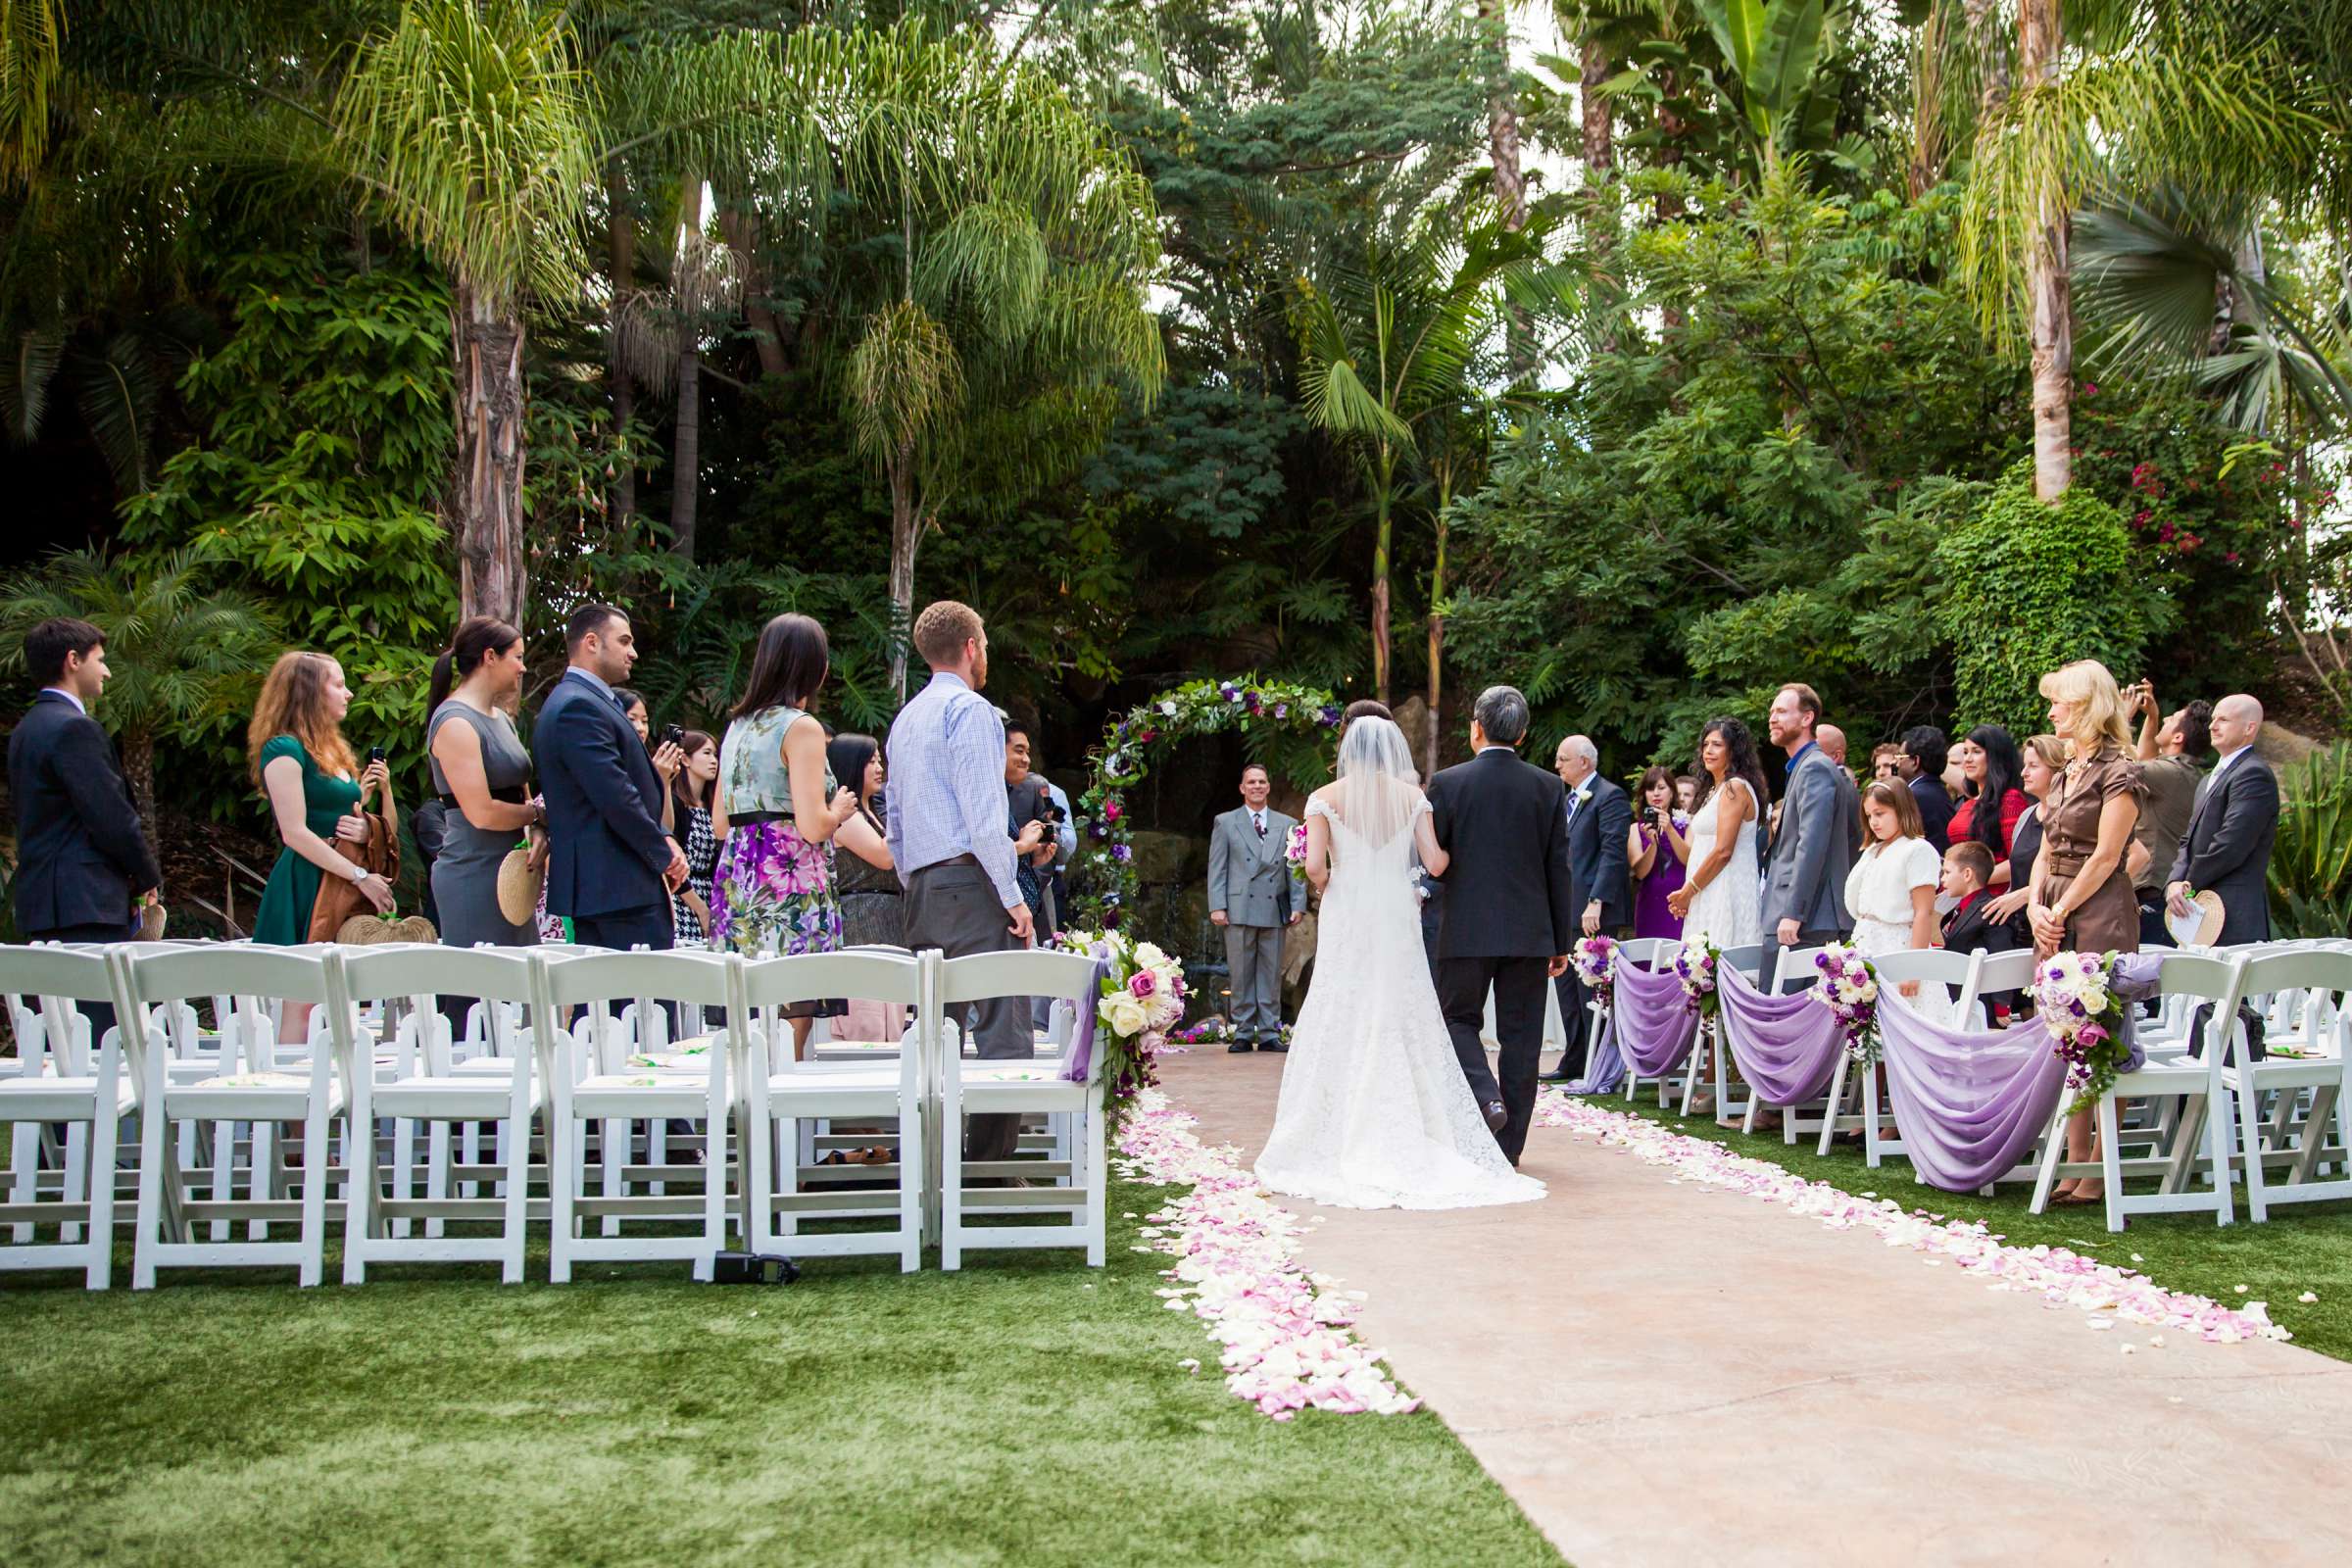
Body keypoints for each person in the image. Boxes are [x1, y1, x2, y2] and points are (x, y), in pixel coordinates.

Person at [1255, 713, 1544, 1209]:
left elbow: (1314, 867)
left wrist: (1334, 884)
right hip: (1396, 911)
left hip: (1349, 911)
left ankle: (1338, 1126)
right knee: (1400, 1006)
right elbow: (1434, 863)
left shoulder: (1325, 797)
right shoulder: (1414, 798)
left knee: (1342, 1003)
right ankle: (1413, 1124)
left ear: (1348, 748)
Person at [887, 601, 1033, 1171]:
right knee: (1003, 1030)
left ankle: (930, 1166)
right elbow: (983, 812)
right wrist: (1013, 896)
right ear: (972, 646)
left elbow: (895, 818)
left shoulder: (906, 718)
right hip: (970, 882)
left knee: (933, 1029)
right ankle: (989, 1169)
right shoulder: (972, 711)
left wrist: (914, 878)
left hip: (922, 886)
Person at [1424, 686, 1576, 1164]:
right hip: (1531, 934)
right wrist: (1560, 940)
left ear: (1476, 726)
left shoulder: (1448, 784)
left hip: (1464, 929)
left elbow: (1436, 863)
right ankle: (1509, 1148)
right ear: (1524, 734)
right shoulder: (1549, 787)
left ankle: (1486, 1097)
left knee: (1456, 1020)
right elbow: (1559, 868)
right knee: (1523, 1038)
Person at [10, 617, 162, 1042]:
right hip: (86, 902)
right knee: (107, 1036)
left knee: (60, 1036)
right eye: (100, 659)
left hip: (45, 901)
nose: (107, 670)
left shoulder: (28, 729)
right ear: (72, 661)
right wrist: (146, 876)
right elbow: (110, 818)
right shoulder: (74, 728)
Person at [710, 613, 857, 1054]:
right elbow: (813, 825)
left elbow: (720, 822)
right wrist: (839, 809)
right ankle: (777, 1115)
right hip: (788, 880)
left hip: (740, 877)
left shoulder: (737, 728)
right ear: (815, 667)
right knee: (793, 1009)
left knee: (751, 1008)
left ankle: (750, 1109)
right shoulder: (801, 728)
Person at [2030, 660, 2144, 1205]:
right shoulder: (2068, 768)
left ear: (2088, 706)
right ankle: (2074, 1165)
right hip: (2054, 906)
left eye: (2061, 702)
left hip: (2099, 910)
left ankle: (2100, 1168)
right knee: (2064, 1035)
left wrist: (2061, 909)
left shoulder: (2120, 770)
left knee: (2101, 1033)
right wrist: (2036, 906)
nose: (2052, 711)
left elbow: (2106, 856)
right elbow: (2047, 846)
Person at [248, 651, 395, 1043]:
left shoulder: (331, 749)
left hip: (342, 878)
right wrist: (361, 876)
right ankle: (291, 1095)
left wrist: (366, 831)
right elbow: (294, 832)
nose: (348, 694)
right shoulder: (284, 749)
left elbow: (344, 815)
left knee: (337, 1003)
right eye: (338, 684)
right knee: (303, 1003)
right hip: (308, 882)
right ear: (309, 691)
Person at [533, 605, 687, 956]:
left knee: (620, 1007)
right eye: (624, 641)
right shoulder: (577, 706)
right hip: (616, 886)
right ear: (591, 642)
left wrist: (664, 836)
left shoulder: (591, 700)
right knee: (641, 1006)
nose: (633, 652)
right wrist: (661, 852)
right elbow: (615, 795)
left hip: (612, 886)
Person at [425, 616, 542, 950]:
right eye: (517, 657)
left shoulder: (502, 718)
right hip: (472, 872)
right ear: (490, 657)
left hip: (514, 873)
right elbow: (482, 813)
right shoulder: (455, 722)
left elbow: (522, 790)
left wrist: (538, 828)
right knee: (480, 993)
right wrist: (538, 815)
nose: (522, 668)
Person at [1547, 735, 1630, 1083]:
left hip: (1593, 912)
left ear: (1585, 761)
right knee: (1566, 989)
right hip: (1566, 908)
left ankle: (1599, 1064)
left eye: (1563, 759)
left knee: (1591, 992)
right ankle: (1574, 1058)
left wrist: (1596, 901)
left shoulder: (1610, 797)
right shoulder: (1567, 799)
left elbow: (1612, 853)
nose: (1557, 765)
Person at [2166, 694, 2278, 946]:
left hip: (2234, 914)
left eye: (2223, 720)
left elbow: (2231, 844)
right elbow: (2189, 838)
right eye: (2213, 719)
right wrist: (2174, 882)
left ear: (2250, 728)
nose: (2212, 726)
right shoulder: (2208, 779)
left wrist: (2188, 884)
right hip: (2195, 913)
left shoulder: (2253, 774)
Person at [1761, 684, 1854, 986]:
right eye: (1772, 711)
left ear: (1807, 719)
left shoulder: (1815, 768)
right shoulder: (1802, 766)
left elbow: (1811, 846)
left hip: (1807, 921)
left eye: (1782, 711)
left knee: (1786, 1022)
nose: (1773, 718)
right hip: (1798, 917)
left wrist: (1793, 913)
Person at [1208, 762, 1300, 1054]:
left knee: (1271, 972)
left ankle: (1271, 1032)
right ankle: (1244, 1032)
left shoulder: (1286, 823)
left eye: (1262, 781)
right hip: (1238, 906)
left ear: (1268, 787)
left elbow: (1293, 866)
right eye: (1251, 782)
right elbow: (1217, 867)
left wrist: (1297, 904)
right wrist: (1217, 906)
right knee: (1241, 971)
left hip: (1274, 906)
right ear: (1242, 788)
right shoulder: (1226, 822)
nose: (1257, 786)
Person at [827, 731, 905, 1044]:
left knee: (891, 1016)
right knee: (866, 1020)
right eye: (870, 761)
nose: (879, 767)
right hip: (861, 919)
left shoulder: (869, 811)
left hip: (885, 919)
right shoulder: (846, 816)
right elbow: (885, 857)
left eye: (879, 759)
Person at [1668, 717, 1767, 955]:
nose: (1708, 751)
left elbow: (1723, 851)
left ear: (1734, 750)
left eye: (1717, 745)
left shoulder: (1735, 788)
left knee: (1718, 963)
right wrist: (1689, 894)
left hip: (1724, 889)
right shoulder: (1715, 789)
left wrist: (1688, 891)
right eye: (1705, 744)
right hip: (1706, 888)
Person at [2129, 685, 2211, 947]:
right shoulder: (2184, 772)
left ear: (2178, 738)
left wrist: (2123, 718)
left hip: (2151, 891)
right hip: (2163, 890)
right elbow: (2145, 758)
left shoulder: (2169, 774)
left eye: (2171, 718)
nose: (2166, 718)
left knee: (2145, 981)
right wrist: (2151, 718)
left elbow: (2117, 770)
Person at [1842, 781, 1940, 958]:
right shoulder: (1872, 850)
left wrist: (1914, 967)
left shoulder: (1918, 849)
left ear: (1901, 809)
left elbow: (1923, 913)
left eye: (1879, 813)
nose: (1873, 822)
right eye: (1869, 815)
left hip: (1898, 948)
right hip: (1864, 943)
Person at [1983, 733, 2066, 931]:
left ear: (2056, 770)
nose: (2023, 773)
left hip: (2055, 924)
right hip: (2020, 926)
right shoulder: (2027, 815)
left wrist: (2024, 895)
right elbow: (2018, 870)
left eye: (2033, 766)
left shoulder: (2073, 815)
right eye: (2024, 765)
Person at [1948, 724, 2030, 886]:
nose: (1968, 759)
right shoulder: (1969, 801)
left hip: (1994, 899)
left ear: (1995, 757)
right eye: (1965, 752)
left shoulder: (2010, 799)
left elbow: (2018, 860)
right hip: (1964, 897)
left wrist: (1970, 881)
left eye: (1976, 752)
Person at [666, 731, 718, 946]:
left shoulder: (713, 807)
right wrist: (699, 908)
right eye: (706, 753)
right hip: (682, 896)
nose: (713, 761)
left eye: (715, 754)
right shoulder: (676, 803)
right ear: (685, 759)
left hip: (710, 894)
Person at [1629, 765, 1690, 941]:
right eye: (1650, 788)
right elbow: (1640, 872)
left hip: (1679, 899)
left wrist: (1669, 829)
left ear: (1672, 792)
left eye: (1661, 788)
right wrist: (1653, 842)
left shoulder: (1686, 824)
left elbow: (1689, 860)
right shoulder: (1636, 829)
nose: (1655, 793)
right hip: (1650, 901)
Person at [1939, 841, 2018, 961]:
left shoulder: (1992, 911)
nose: (1942, 879)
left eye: (1947, 872)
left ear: (1967, 874)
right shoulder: (1958, 909)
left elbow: (2000, 962)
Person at [1898, 725, 1955, 852]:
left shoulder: (1914, 796)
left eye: (1900, 757)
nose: (1896, 763)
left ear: (1915, 761)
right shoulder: (1937, 791)